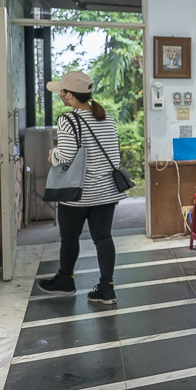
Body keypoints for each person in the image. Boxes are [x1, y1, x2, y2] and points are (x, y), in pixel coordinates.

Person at [38, 71, 125, 304]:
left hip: (76, 192)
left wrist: (52, 154)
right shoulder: (106, 118)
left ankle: (65, 280)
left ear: (70, 96)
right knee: (103, 238)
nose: (60, 95)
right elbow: (115, 158)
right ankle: (107, 288)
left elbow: (65, 155)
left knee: (70, 238)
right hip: (106, 191)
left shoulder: (68, 119)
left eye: (62, 92)